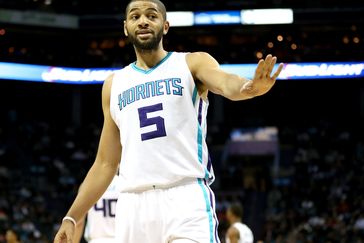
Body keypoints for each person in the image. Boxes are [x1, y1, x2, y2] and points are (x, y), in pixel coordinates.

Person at [53, 0, 283, 242]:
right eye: (135, 16)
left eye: (151, 15)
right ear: (125, 27)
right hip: (133, 205)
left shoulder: (192, 63)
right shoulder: (114, 85)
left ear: (165, 26)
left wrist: (248, 87)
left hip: (185, 197)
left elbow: (226, 83)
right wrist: (71, 217)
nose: (143, 20)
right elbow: (105, 164)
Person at [72, 175, 119, 243]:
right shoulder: (125, 185)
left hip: (96, 240)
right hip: (120, 239)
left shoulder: (87, 184)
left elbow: (79, 222)